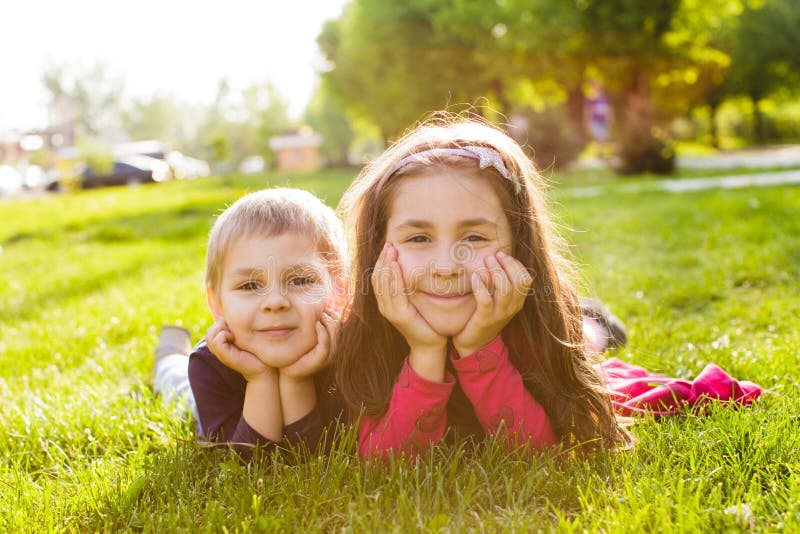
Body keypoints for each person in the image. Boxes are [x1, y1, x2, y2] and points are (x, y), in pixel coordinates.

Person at [334, 118, 633, 461]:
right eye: (418, 238)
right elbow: (387, 463)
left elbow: (548, 455)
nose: (445, 267)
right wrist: (425, 352)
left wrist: (480, 348)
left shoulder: (543, 322)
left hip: (556, 321)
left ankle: (592, 319)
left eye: (474, 237)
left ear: (519, 245)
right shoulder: (364, 332)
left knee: (587, 336)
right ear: (378, 247)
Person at [153, 188, 348, 459]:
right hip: (205, 390)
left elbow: (309, 456)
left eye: (300, 280)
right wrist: (259, 378)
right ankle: (169, 353)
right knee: (175, 383)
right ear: (216, 304)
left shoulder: (352, 355)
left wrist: (296, 379)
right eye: (249, 285)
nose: (275, 302)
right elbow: (247, 461)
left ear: (339, 292)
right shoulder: (208, 366)